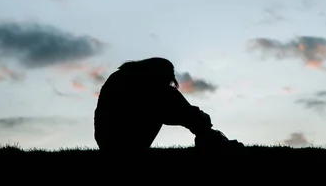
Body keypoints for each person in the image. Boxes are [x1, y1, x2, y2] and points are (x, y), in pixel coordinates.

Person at [93, 57, 243, 151]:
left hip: (111, 141)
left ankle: (207, 135)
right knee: (168, 94)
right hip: (120, 142)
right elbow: (167, 110)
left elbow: (168, 112)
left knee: (169, 96)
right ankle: (209, 137)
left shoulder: (123, 77)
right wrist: (199, 119)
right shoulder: (135, 83)